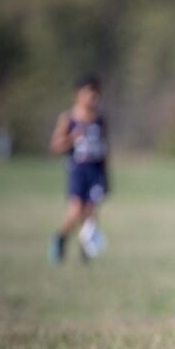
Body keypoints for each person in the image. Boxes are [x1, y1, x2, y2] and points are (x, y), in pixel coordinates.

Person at [48, 74, 110, 264]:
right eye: (88, 92)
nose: (93, 97)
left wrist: (106, 175)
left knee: (90, 212)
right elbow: (55, 146)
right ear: (78, 94)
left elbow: (105, 147)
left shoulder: (100, 120)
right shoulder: (69, 118)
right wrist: (71, 138)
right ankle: (60, 238)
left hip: (96, 169)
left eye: (95, 92)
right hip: (78, 169)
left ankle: (85, 253)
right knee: (76, 211)